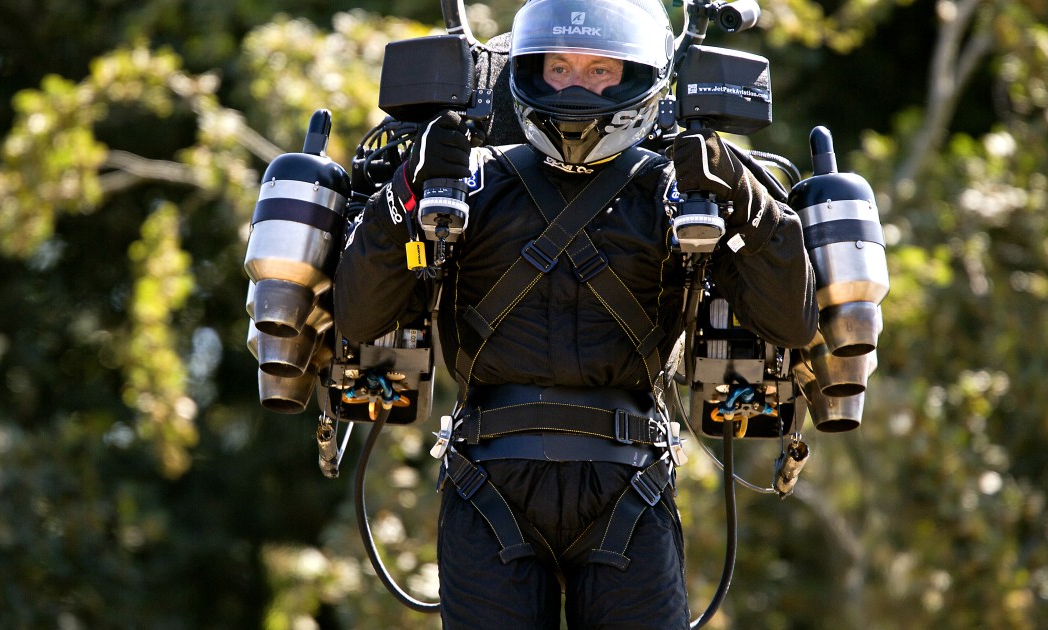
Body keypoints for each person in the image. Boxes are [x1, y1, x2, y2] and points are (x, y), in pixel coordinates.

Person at [334, 0, 817, 626]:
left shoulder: (684, 188)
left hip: (628, 487)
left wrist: (739, 188)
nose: (576, 87)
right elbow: (359, 316)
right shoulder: (461, 182)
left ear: (639, 76)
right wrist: (408, 188)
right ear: (529, 70)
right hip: (489, 485)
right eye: (559, 67)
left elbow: (792, 323)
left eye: (600, 70)